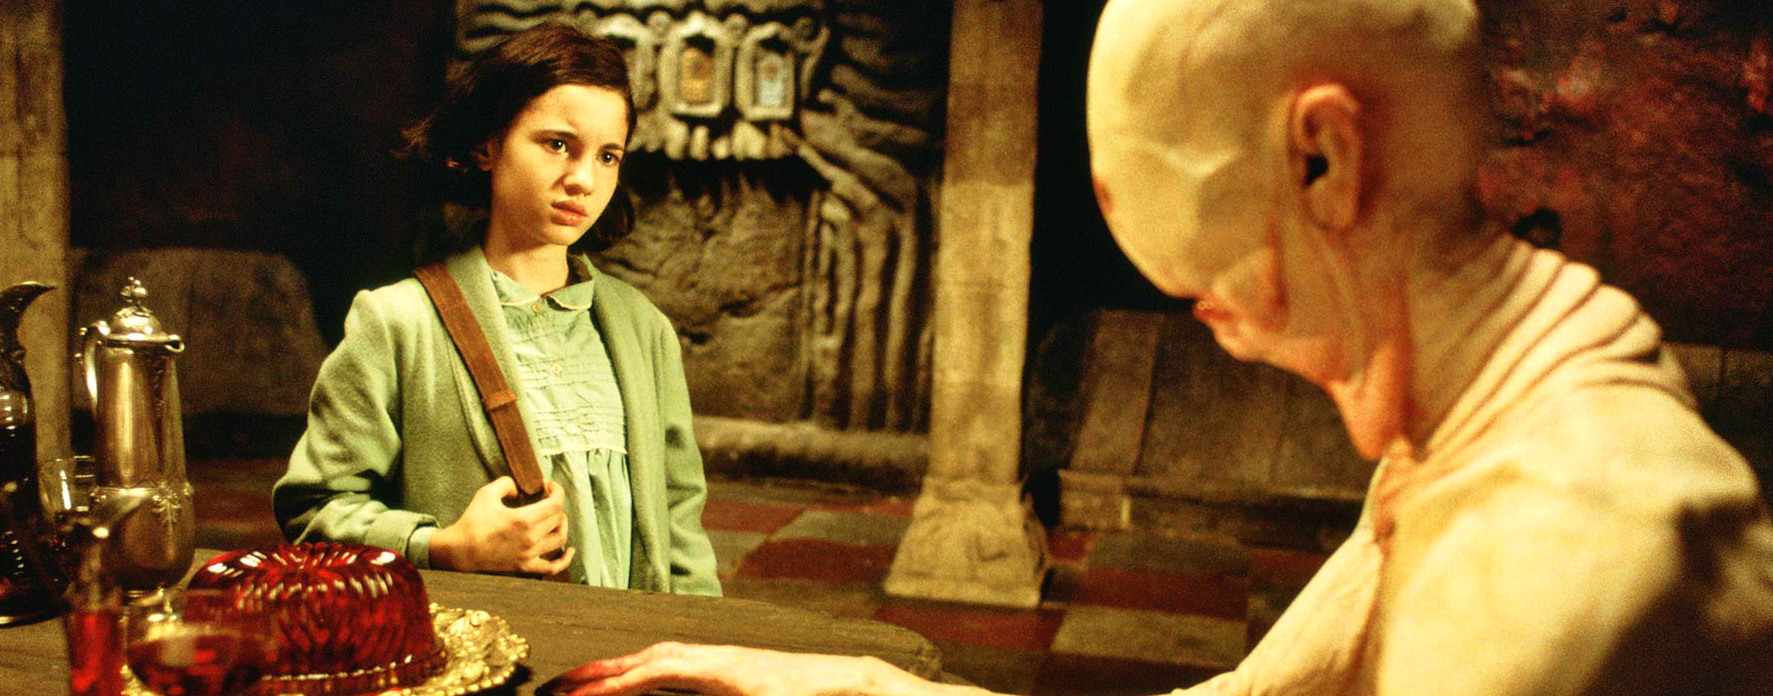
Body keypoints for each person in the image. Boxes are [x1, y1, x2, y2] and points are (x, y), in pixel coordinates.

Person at [547, 0, 1773, 692]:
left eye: (1157, 188)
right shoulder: (1460, 437)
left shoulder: (1553, 572)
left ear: (1321, 158)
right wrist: (855, 685)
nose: (1165, 282)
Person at [273, 22, 721, 596]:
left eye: (608, 156)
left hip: (630, 645)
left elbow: (681, 531)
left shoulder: (643, 329)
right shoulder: (398, 323)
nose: (583, 179)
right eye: (557, 144)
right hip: (480, 639)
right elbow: (314, 509)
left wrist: (698, 636)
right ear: (488, 146)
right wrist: (443, 546)